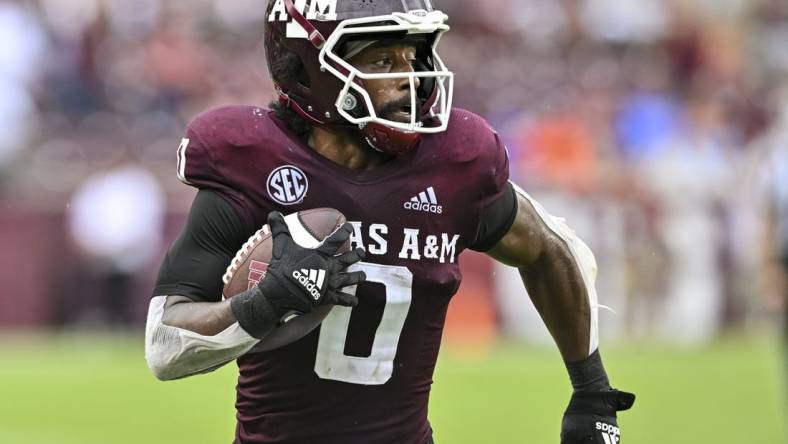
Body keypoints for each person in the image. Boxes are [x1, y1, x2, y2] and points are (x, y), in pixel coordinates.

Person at [144, 1, 635, 443]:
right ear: (308, 69)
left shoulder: (455, 162)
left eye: (413, 58)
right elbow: (166, 346)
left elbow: (550, 247)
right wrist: (264, 302)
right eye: (382, 61)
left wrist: (591, 391)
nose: (409, 78)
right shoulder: (252, 162)